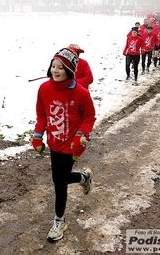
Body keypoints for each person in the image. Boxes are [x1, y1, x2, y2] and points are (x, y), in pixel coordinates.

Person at [30, 47, 95, 242]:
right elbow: (42, 115)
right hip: (54, 142)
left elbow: (89, 117)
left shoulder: (80, 93)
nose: (55, 70)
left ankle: (59, 220)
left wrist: (81, 134)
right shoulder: (44, 89)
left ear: (69, 69)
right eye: (53, 66)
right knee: (60, 178)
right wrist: (38, 134)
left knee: (59, 182)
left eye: (60, 67)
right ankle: (84, 178)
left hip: (71, 144)